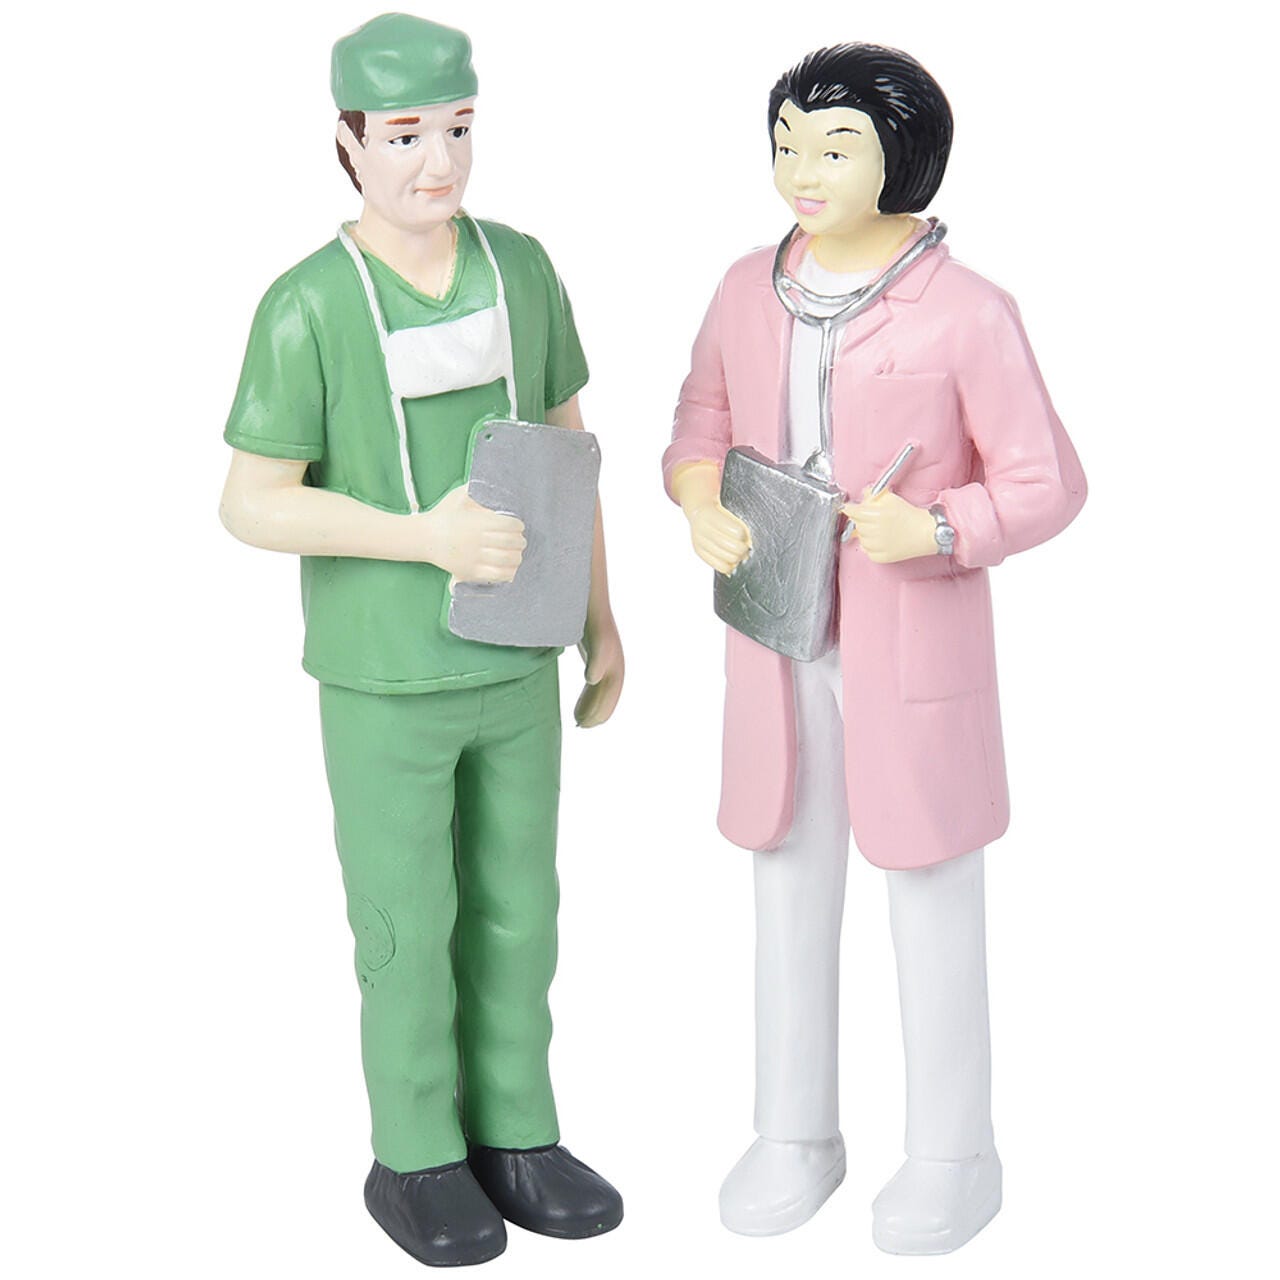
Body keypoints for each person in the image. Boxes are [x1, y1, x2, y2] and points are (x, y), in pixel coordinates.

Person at [663, 43, 1085, 1254]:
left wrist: (939, 527)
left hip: (908, 648)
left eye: (833, 146)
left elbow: (1046, 481)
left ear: (901, 158)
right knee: (784, 870)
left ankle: (953, 1150)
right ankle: (793, 1128)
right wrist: (697, 497)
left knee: (928, 884)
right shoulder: (746, 288)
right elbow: (697, 417)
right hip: (775, 631)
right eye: (785, 143)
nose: (801, 170)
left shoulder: (967, 311)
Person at [220, 14, 624, 1268]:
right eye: (403, 136)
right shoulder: (306, 306)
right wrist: (421, 538)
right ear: (347, 141)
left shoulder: (523, 270)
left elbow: (567, 450)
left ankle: (517, 1128)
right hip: (385, 677)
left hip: (519, 657)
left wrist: (601, 618)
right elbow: (251, 501)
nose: (436, 160)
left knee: (520, 908)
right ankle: (415, 1150)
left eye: (456, 127)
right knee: (404, 918)